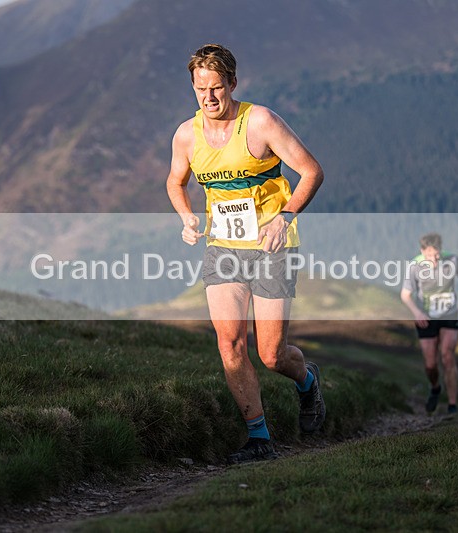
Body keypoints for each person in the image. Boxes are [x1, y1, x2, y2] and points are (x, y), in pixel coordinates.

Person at [166, 44, 326, 463]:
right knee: (229, 343)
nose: (209, 98)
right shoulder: (187, 134)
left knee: (271, 354)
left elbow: (311, 171)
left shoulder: (261, 122)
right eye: (201, 89)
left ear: (233, 84)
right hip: (223, 248)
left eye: (217, 88)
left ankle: (307, 382)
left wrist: (284, 217)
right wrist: (186, 217)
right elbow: (175, 181)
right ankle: (259, 438)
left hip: (272, 245)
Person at [400, 233, 458, 415]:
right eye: (429, 255)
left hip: (449, 314)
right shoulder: (415, 266)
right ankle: (435, 387)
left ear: (441, 249)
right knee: (430, 364)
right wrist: (417, 312)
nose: (433, 259)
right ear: (422, 251)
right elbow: (405, 294)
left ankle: (452, 405)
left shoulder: (453, 259)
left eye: (436, 255)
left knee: (448, 355)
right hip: (426, 317)